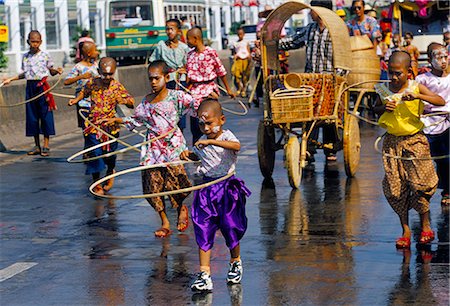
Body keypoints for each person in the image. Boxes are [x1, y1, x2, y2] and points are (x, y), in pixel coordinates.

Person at [101, 60, 200, 237]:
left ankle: (180, 210)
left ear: (166, 77)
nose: (153, 82)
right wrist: (116, 120)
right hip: (153, 148)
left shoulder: (177, 97)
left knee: (176, 182)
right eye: (150, 79)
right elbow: (136, 119)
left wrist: (209, 104)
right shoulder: (146, 101)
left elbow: (197, 107)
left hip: (172, 146)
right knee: (151, 186)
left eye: (157, 78)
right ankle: (164, 221)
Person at [373, 51, 445, 249]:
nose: (394, 78)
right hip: (392, 143)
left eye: (398, 73)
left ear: (409, 72)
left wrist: (418, 96)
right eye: (391, 73)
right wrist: (383, 108)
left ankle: (426, 225)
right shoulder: (383, 89)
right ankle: (405, 229)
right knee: (395, 187)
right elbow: (375, 108)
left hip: (415, 141)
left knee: (421, 184)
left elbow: (440, 101)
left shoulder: (415, 86)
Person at [179, 99, 250, 292]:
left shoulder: (226, 136)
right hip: (206, 190)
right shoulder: (201, 142)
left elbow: (236, 146)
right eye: (201, 124)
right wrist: (188, 155)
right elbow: (198, 157)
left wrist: (211, 141)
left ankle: (235, 261)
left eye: (209, 123)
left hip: (227, 189)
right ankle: (204, 274)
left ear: (222, 119)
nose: (206, 128)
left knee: (230, 227)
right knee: (203, 228)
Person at [279, 0, 338, 162]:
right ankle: (310, 148)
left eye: (311, 10)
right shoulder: (310, 29)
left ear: (320, 11)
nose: (309, 13)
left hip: (330, 80)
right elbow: (292, 42)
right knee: (310, 113)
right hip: (311, 79)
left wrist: (339, 76)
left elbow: (345, 55)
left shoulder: (336, 30)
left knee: (328, 115)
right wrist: (270, 43)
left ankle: (330, 147)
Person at [68, 57, 134, 195]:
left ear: (114, 73)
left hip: (110, 127)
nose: (107, 77)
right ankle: (96, 182)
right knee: (95, 154)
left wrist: (123, 101)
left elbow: (131, 102)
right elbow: (83, 92)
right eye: (104, 74)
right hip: (93, 125)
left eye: (110, 74)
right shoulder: (92, 82)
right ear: (98, 71)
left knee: (109, 156)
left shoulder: (116, 86)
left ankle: (110, 171)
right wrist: (76, 100)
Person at [2, 30, 63, 157]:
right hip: (30, 87)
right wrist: (10, 79)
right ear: (28, 41)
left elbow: (50, 71)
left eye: (37, 41)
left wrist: (56, 71)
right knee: (32, 116)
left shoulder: (45, 55)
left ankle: (46, 145)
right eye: (32, 41)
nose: (35, 44)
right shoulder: (25, 56)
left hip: (42, 87)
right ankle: (37, 145)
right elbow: (25, 74)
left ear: (40, 42)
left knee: (45, 115)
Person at [186, 27, 235, 144]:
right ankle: (198, 151)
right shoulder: (189, 55)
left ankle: (215, 148)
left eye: (188, 39)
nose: (186, 42)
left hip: (209, 91)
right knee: (196, 125)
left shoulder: (210, 53)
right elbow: (190, 77)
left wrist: (228, 90)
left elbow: (221, 72)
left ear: (196, 39)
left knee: (211, 123)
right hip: (195, 93)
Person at [415, 43, 449, 207]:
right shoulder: (422, 79)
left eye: (445, 56)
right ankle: (421, 192)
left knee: (446, 159)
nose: (443, 61)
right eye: (439, 57)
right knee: (424, 160)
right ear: (430, 60)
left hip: (447, 123)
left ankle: (447, 190)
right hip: (427, 124)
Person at [149, 18, 190, 131]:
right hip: (166, 82)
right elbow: (153, 62)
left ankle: (179, 135)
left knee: (180, 109)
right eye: (167, 29)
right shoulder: (161, 46)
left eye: (171, 29)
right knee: (166, 109)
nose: (169, 32)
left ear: (178, 31)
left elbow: (189, 66)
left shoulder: (184, 48)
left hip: (180, 82)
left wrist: (184, 70)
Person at [64, 42, 99, 129]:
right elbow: (67, 81)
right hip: (83, 102)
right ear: (89, 53)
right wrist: (81, 76)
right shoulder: (78, 67)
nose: (97, 52)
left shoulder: (96, 65)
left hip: (96, 102)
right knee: (87, 128)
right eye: (95, 50)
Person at [231, 28, 251, 98]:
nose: (240, 36)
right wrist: (234, 56)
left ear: (244, 34)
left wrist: (249, 56)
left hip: (245, 59)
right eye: (238, 34)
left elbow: (248, 51)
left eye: (241, 34)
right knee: (236, 74)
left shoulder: (246, 42)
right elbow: (234, 52)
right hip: (238, 60)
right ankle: (240, 87)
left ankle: (244, 90)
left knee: (245, 76)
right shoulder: (235, 43)